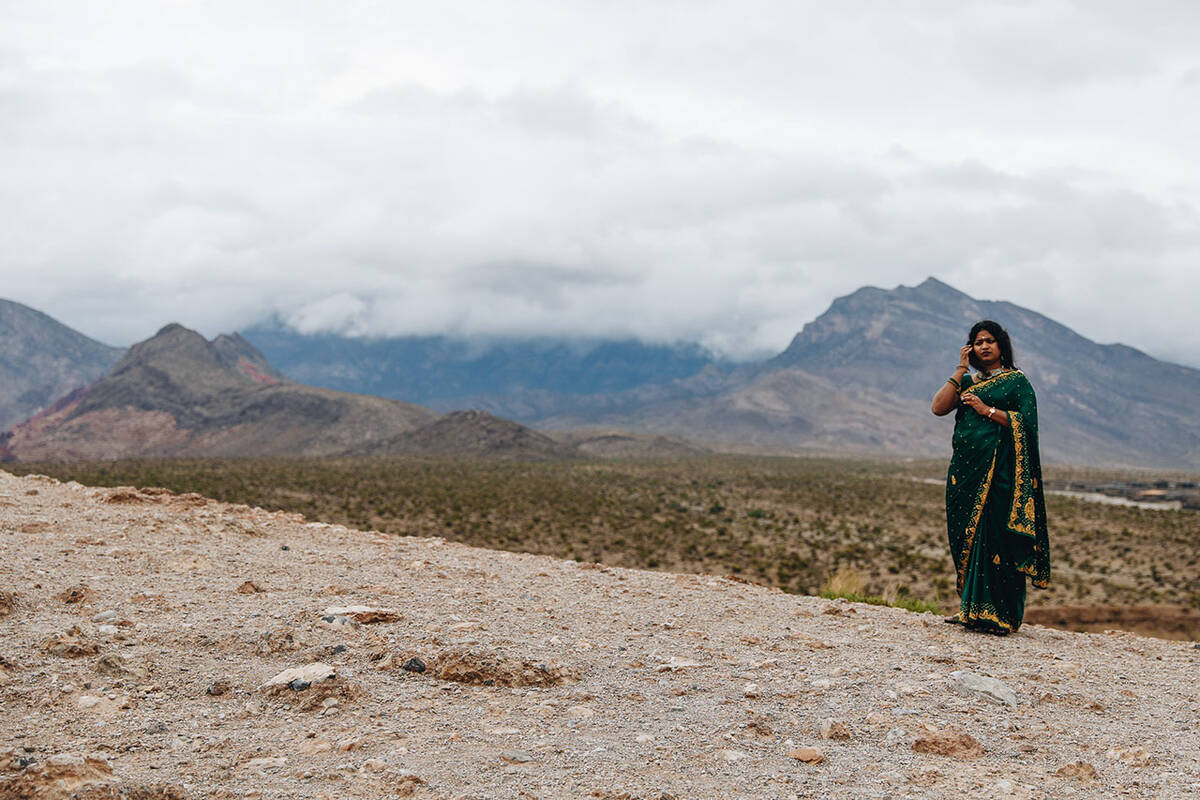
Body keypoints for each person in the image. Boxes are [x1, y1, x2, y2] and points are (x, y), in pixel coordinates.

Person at [930, 320, 1050, 635]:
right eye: (978, 341)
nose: (984, 346)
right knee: (964, 537)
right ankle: (971, 609)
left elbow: (1026, 425)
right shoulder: (967, 381)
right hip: (965, 474)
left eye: (990, 341)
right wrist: (959, 369)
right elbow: (938, 407)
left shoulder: (1016, 382)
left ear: (1001, 346)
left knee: (998, 539)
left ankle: (1002, 615)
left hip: (1000, 476)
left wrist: (986, 410)